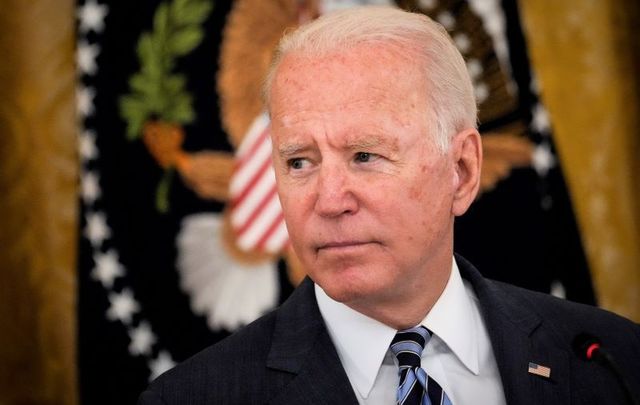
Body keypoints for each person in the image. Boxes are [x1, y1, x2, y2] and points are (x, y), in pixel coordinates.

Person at [138, 6, 640, 405]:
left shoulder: (614, 362)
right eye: (299, 163)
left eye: (365, 155)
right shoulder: (192, 397)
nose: (329, 200)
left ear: (461, 171)